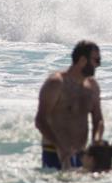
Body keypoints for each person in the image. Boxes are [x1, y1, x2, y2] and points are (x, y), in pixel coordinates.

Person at [34, 40, 104, 170]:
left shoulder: (92, 87)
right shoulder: (56, 84)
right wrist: (60, 147)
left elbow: (98, 119)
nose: (98, 65)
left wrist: (96, 141)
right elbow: (40, 120)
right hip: (55, 153)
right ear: (83, 60)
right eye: (96, 60)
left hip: (81, 155)